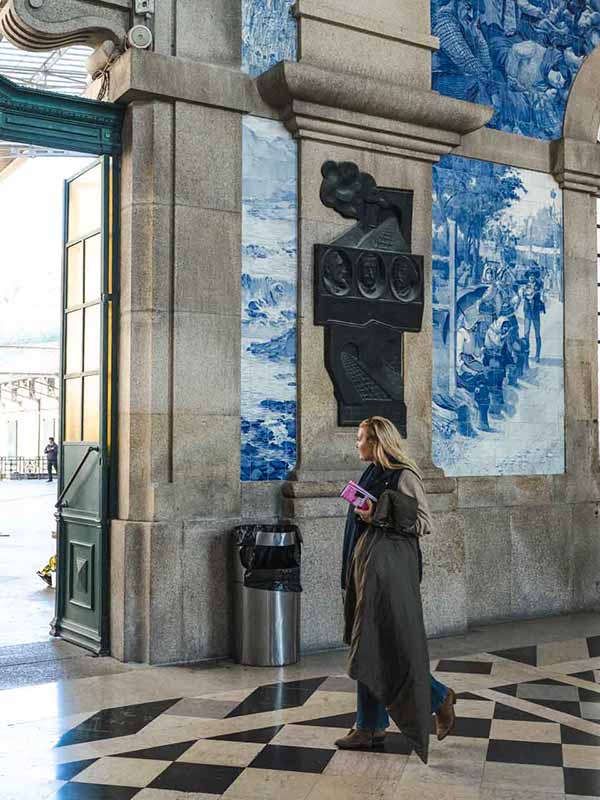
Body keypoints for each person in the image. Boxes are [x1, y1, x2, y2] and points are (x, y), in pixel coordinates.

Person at [336, 416, 456, 763]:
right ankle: (370, 725)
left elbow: (422, 522)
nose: (356, 443)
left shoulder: (404, 474)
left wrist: (380, 515)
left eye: (360, 438)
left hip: (389, 577)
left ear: (377, 442)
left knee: (388, 646)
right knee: (369, 644)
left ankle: (438, 697)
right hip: (367, 573)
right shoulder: (371, 471)